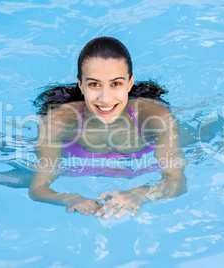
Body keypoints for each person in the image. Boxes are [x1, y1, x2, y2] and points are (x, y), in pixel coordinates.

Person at [27, 36, 187, 219]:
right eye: (94, 84)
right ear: (80, 84)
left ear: (130, 82)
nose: (105, 98)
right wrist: (69, 198)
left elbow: (177, 181)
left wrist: (142, 194)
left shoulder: (156, 118)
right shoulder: (57, 123)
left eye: (116, 84)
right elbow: (38, 189)